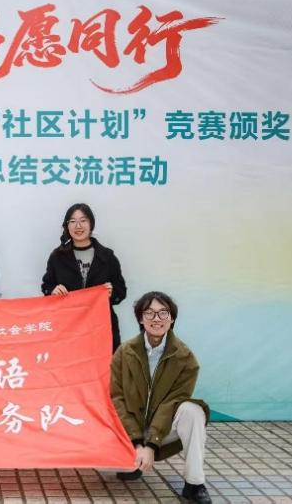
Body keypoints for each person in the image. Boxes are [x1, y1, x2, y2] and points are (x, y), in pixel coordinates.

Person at [110, 291, 212, 504]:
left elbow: (171, 403)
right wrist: (137, 442)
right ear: (140, 318)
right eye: (149, 313)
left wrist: (151, 445)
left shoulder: (185, 358)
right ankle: (133, 460)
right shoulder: (124, 353)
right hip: (129, 431)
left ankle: (194, 484)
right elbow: (117, 398)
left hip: (162, 430)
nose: (156, 319)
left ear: (172, 318)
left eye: (163, 313)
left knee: (193, 411)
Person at [40, 203, 127, 351]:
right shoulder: (57, 256)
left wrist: (112, 292)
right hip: (68, 327)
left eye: (83, 220)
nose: (78, 226)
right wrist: (53, 290)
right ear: (67, 226)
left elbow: (121, 290)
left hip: (101, 326)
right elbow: (46, 286)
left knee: (104, 364)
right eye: (73, 221)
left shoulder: (107, 256)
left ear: (91, 224)